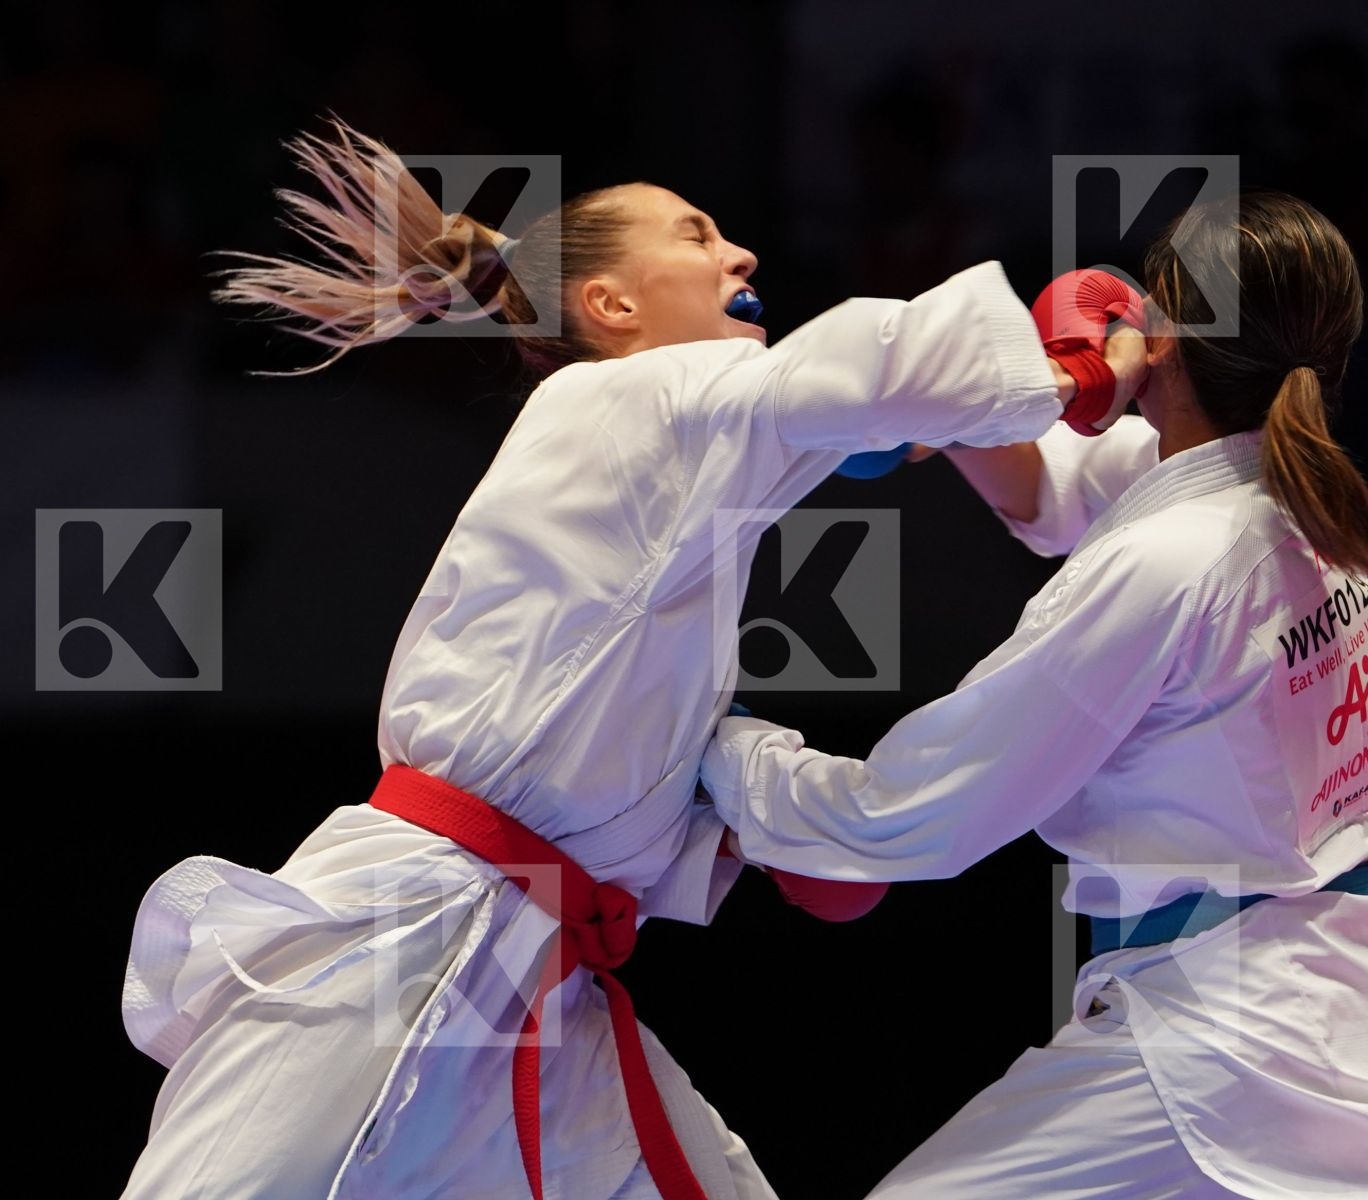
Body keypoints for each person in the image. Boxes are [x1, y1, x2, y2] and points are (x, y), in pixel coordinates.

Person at [116, 116, 1134, 1200]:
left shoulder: (683, 468)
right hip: (398, 936)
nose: (741, 256)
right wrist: (1073, 369)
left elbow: (858, 416)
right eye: (698, 237)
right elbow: (865, 365)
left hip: (547, 975)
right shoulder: (619, 398)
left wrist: (745, 828)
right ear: (612, 306)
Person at [699, 189, 1368, 1199]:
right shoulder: (1309, 501)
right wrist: (997, 395)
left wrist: (718, 745)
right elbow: (1053, 492)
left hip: (1223, 1043)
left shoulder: (1166, 561)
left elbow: (910, 815)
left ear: (1167, 343)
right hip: (1316, 1009)